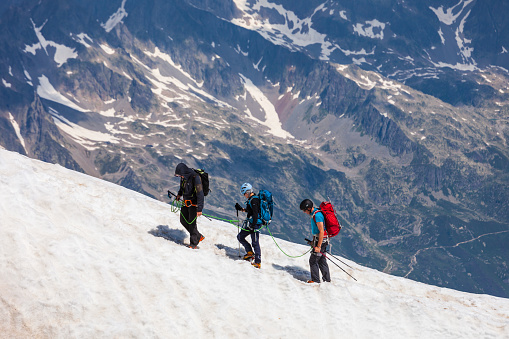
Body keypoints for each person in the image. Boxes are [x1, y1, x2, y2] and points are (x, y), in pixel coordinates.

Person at [174, 163, 205, 249]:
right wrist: (179, 195)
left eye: (181, 175)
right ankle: (198, 236)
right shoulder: (184, 177)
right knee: (183, 220)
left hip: (194, 204)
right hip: (185, 202)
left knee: (192, 223)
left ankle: (193, 244)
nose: (181, 177)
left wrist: (199, 208)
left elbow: (200, 193)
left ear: (184, 173)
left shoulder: (196, 178)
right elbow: (182, 187)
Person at [300, 199, 331, 283]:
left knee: (313, 260)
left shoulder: (317, 216)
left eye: (304, 210)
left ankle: (315, 281)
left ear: (309, 208)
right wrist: (313, 241)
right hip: (321, 240)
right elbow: (316, 231)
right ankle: (327, 280)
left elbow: (321, 231)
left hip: (321, 241)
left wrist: (318, 246)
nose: (304, 212)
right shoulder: (315, 213)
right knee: (321, 260)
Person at [235, 183, 262, 269]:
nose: (244, 195)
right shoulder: (251, 199)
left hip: (255, 224)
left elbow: (255, 214)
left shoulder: (254, 200)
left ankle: (258, 262)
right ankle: (250, 253)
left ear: (248, 192)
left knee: (255, 242)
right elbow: (251, 211)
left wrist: (253, 226)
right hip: (251, 223)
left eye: (244, 193)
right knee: (240, 236)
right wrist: (241, 209)